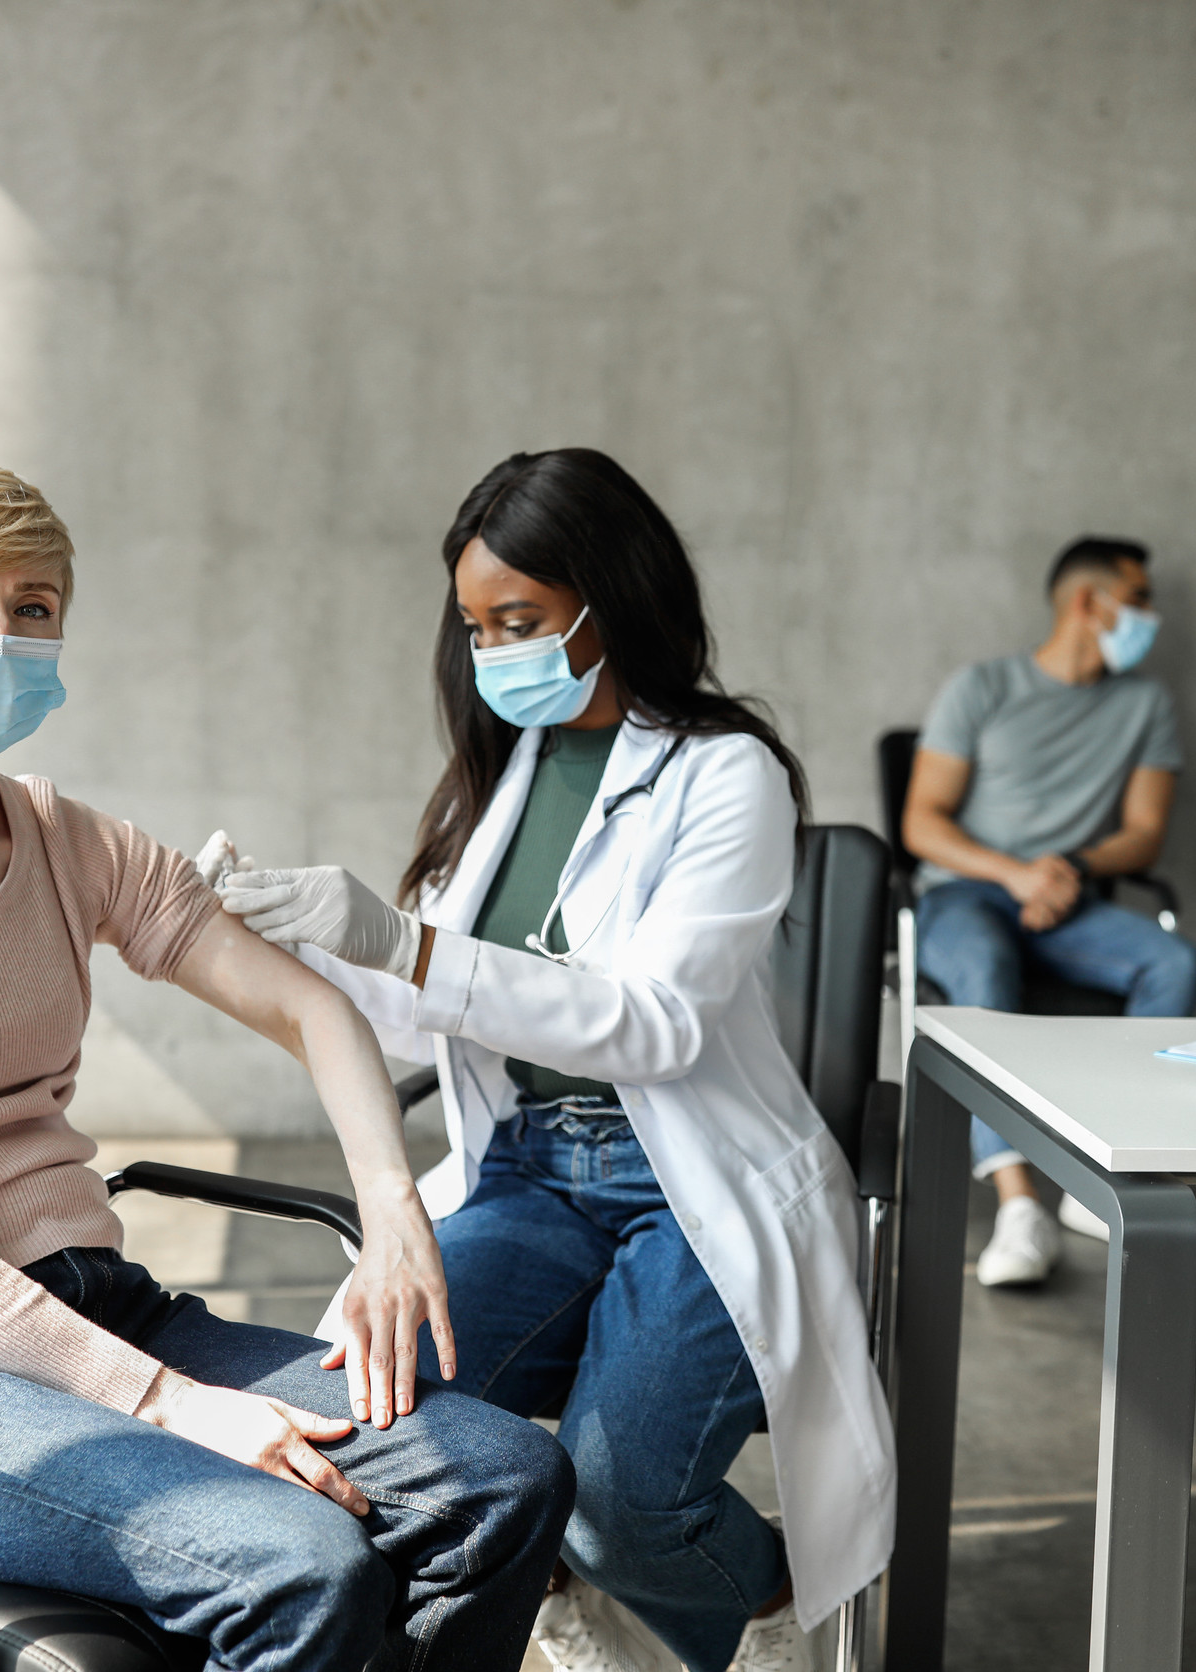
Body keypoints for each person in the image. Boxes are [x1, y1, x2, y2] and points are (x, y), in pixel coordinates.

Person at [0, 455, 573, 1672]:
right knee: (299, 1564)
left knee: (506, 1476)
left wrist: (392, 1209)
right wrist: (182, 1408)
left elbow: (313, 1010)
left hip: (96, 1308)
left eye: (34, 606)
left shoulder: (67, 840)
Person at [217, 449, 893, 1672]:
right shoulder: (495, 779)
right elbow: (437, 1017)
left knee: (623, 1493)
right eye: (477, 627)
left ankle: (757, 1595)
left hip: (689, 1181)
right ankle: (556, 1575)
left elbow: (655, 1024)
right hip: (528, 1171)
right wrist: (298, 937)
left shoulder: (725, 776)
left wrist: (403, 939)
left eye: (519, 621)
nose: (492, 653)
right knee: (354, 1413)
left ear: (610, 596)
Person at [901, 536, 1196, 1287]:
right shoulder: (982, 687)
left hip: (1068, 900)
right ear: (1086, 602)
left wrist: (1066, 871)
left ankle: (1094, 1181)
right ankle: (1018, 1204)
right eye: (1136, 599)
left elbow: (1142, 834)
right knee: (982, 962)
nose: (1149, 617)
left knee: (1176, 961)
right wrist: (1017, 875)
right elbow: (923, 822)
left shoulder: (1146, 705)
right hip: (965, 893)